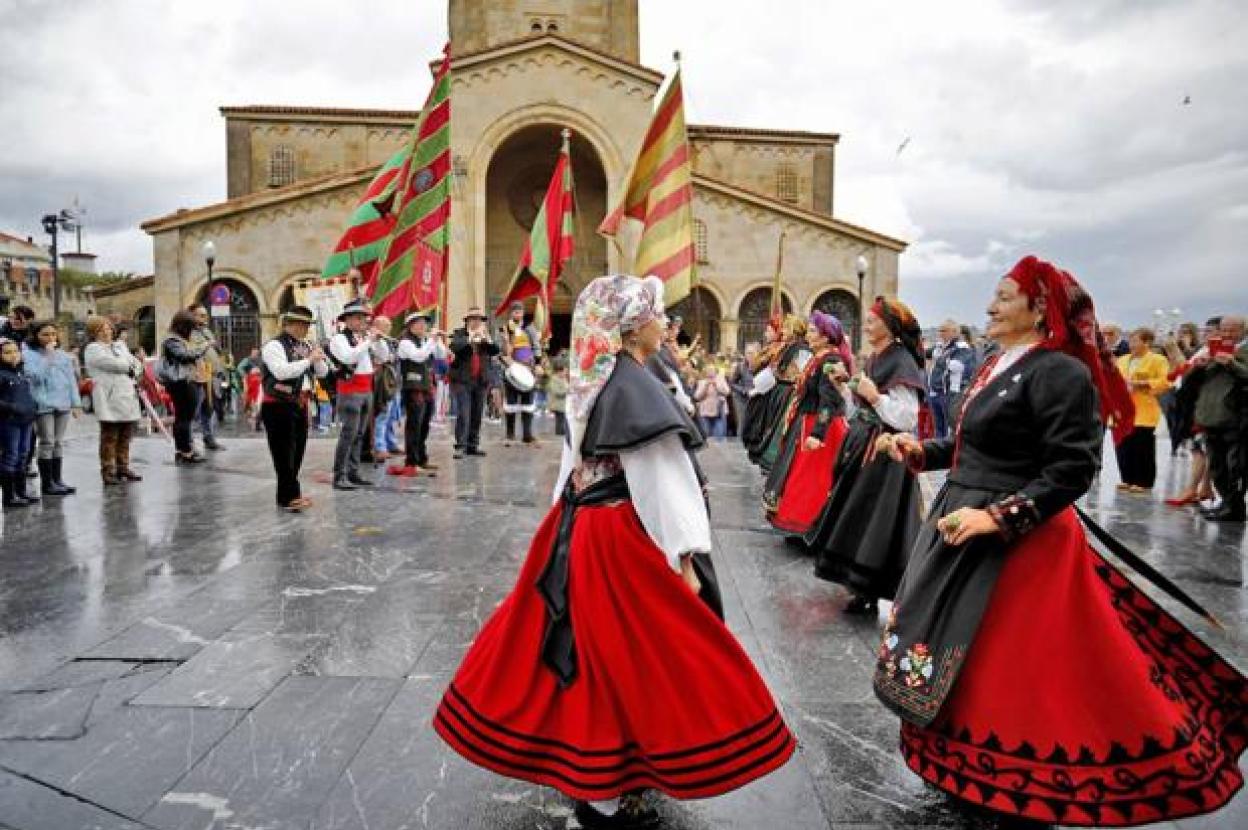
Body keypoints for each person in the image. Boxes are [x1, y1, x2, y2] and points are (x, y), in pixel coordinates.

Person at [873, 255, 1245, 826]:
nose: (990, 305)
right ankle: (962, 768)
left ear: (1040, 307)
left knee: (1010, 668)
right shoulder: (997, 362)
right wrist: (919, 452)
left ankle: (1016, 781)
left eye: (1003, 296)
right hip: (961, 523)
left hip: (1020, 545)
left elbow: (1073, 469)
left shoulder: (1062, 372)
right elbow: (971, 443)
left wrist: (998, 517)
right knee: (960, 658)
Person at [433, 275, 795, 829]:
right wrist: (685, 556)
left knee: (589, 655)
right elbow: (661, 481)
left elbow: (570, 466)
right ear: (631, 327)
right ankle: (605, 796)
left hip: (582, 528)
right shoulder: (630, 384)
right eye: (655, 314)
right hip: (620, 537)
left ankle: (607, 782)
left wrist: (561, 524)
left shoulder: (599, 377)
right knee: (630, 659)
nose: (664, 323)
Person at [805, 298, 925, 615]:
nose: (867, 325)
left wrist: (875, 396)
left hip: (886, 455)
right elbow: (863, 406)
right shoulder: (877, 357)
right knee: (859, 515)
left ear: (890, 325)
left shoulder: (901, 361)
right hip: (866, 447)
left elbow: (907, 417)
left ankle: (868, 586)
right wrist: (847, 387)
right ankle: (859, 587)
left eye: (872, 320)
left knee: (878, 521)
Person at [763, 311, 852, 535]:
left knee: (814, 480)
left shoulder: (830, 361)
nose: (808, 334)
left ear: (826, 336)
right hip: (807, 423)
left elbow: (829, 401)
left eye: (813, 331)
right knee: (802, 477)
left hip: (820, 428)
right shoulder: (818, 357)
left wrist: (818, 433)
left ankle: (812, 526)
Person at [260, 306, 329, 513]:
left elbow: (323, 373)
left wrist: (318, 358)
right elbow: (281, 372)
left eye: (306, 324)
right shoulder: (274, 345)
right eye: (300, 324)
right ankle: (290, 496)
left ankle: (287, 496)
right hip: (278, 405)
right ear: (287, 324)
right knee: (283, 454)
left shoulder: (305, 344)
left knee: (297, 452)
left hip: (301, 403)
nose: (304, 328)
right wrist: (308, 360)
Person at [1188, 314, 1248, 522]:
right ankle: (1225, 504)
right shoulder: (1211, 351)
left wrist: (1232, 364)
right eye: (1224, 329)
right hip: (1211, 418)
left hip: (1236, 419)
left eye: (1233, 329)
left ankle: (1235, 507)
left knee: (1235, 467)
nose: (1228, 334)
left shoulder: (1243, 352)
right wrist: (1198, 366)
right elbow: (1191, 384)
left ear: (1244, 330)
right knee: (1217, 466)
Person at [328, 299, 390, 490]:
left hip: (366, 388)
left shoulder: (364, 338)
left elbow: (384, 357)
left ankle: (353, 473)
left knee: (360, 434)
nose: (362, 322)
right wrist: (369, 341)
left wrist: (378, 342)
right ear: (347, 320)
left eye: (364, 318)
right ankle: (339, 475)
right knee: (348, 434)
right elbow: (349, 357)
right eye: (358, 318)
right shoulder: (339, 339)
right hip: (349, 390)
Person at [22, 321, 82, 496]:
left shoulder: (63, 356)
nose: (50, 338)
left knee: (58, 442)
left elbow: (71, 380)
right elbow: (36, 377)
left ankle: (58, 479)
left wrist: (76, 403)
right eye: (45, 334)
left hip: (62, 403)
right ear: (36, 336)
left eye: (53, 334)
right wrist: (47, 357)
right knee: (47, 442)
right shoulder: (28, 355)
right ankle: (47, 483)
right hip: (43, 405)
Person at [86, 316, 146, 483]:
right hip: (108, 396)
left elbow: (138, 365)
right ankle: (108, 470)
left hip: (126, 394)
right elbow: (115, 365)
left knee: (126, 435)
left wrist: (132, 364)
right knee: (110, 436)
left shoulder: (120, 346)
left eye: (108, 328)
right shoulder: (93, 349)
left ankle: (123, 467)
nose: (106, 332)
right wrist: (129, 365)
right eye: (101, 329)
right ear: (93, 333)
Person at [750, 315, 812, 471]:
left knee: (782, 429)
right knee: (773, 426)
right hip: (780, 391)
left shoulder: (802, 350)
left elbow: (802, 372)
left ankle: (777, 463)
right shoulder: (787, 347)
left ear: (794, 330)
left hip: (789, 392)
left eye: (786, 327)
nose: (783, 331)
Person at [389, 309, 446, 477]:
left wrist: (438, 340)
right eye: (419, 323)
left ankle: (422, 458)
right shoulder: (405, 343)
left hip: (427, 386)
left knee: (425, 425)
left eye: (425, 323)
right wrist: (431, 341)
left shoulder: (426, 341)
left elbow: (440, 355)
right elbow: (419, 357)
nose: (423, 326)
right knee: (414, 425)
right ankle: (411, 461)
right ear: (410, 326)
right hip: (413, 386)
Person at [1114, 327, 1170, 492]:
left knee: (1142, 446)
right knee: (1123, 446)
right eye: (1130, 340)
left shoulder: (1158, 360)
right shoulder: (1123, 359)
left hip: (1144, 409)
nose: (1132, 344)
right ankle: (1127, 477)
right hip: (1123, 409)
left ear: (1147, 342)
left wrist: (1143, 384)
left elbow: (1165, 381)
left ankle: (1144, 481)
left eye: (1136, 341)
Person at [449, 307, 499, 459]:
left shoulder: (485, 335)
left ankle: (473, 445)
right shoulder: (459, 334)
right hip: (462, 380)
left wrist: (488, 340)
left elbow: (495, 350)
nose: (476, 322)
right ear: (467, 321)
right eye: (473, 319)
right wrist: (470, 338)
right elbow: (456, 347)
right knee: (464, 413)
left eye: (479, 319)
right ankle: (460, 446)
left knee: (477, 414)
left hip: (481, 379)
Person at [0, 336, 39, 507]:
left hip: (27, 419)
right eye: (7, 353)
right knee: (11, 455)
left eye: (15, 351)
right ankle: (9, 496)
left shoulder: (22, 372)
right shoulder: (1, 374)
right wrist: (12, 407)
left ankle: (21, 491)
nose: (13, 355)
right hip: (9, 421)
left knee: (24, 454)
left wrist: (32, 406)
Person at [500, 301, 543, 446]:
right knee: (510, 404)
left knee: (528, 403)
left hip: (528, 368)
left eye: (519, 311)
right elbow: (502, 350)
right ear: (511, 313)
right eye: (514, 311)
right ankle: (510, 435)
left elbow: (536, 346)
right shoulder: (505, 328)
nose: (517, 313)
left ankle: (527, 435)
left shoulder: (529, 328)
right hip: (512, 367)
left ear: (523, 313)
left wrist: (537, 364)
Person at [926, 318, 975, 439]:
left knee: (949, 430)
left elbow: (956, 366)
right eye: (939, 330)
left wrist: (941, 357)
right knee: (938, 428)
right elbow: (925, 353)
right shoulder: (941, 346)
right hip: (935, 393)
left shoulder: (962, 347)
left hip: (949, 394)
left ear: (954, 332)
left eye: (944, 331)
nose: (940, 333)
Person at [187, 304, 225, 451]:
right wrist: (208, 343)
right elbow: (193, 351)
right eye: (201, 315)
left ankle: (209, 438)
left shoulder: (206, 331)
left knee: (209, 409)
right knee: (194, 411)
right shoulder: (188, 332)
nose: (205, 318)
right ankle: (188, 443)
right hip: (198, 376)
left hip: (213, 375)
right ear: (192, 316)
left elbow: (216, 350)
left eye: (205, 315)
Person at [368, 315, 403, 462]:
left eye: (389, 325)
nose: (389, 328)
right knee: (382, 414)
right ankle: (379, 446)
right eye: (385, 325)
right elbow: (381, 358)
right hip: (380, 381)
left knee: (392, 415)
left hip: (393, 381)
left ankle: (391, 443)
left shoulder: (390, 341)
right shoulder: (373, 339)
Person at [692, 364, 732, 439]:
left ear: (715, 371)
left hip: (719, 412)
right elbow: (697, 397)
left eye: (712, 370)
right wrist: (705, 387)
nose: (710, 372)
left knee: (719, 436)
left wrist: (716, 386)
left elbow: (727, 392)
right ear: (705, 372)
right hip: (705, 412)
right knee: (707, 436)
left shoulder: (721, 380)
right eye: (708, 370)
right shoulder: (701, 382)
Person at [727, 345, 756, 439]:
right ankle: (740, 444)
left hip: (757, 397)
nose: (750, 355)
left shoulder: (761, 365)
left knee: (755, 422)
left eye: (752, 353)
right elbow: (732, 383)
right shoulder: (740, 367)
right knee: (742, 422)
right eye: (748, 353)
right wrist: (743, 390)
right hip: (742, 398)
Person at [546, 353, 569, 436]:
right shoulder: (554, 379)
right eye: (564, 372)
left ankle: (561, 430)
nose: (565, 374)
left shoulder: (563, 379)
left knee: (562, 418)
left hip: (562, 404)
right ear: (559, 371)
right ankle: (559, 431)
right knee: (560, 419)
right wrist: (566, 391)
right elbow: (556, 391)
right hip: (557, 404)